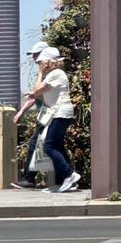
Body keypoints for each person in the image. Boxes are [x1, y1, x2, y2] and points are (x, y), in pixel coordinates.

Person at [22, 48, 80, 193]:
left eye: (41, 61)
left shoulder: (55, 74)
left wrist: (40, 73)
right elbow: (38, 92)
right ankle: (66, 181)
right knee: (56, 146)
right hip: (60, 114)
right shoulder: (55, 74)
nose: (39, 63)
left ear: (48, 61)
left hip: (60, 114)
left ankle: (69, 175)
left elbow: (36, 91)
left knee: (48, 146)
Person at [11, 41, 50, 189]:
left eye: (36, 55)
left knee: (39, 144)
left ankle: (29, 178)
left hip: (49, 115)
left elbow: (35, 94)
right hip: (46, 115)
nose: (34, 59)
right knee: (47, 145)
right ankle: (65, 176)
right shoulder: (46, 72)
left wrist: (21, 111)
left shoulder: (48, 73)